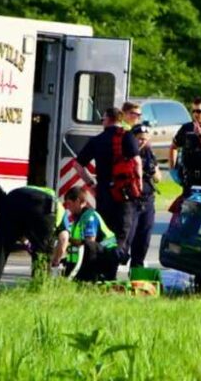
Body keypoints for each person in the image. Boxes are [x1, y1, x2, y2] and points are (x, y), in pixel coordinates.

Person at [72, 107, 141, 260]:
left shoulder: (97, 140)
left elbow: (77, 165)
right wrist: (139, 184)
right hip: (124, 194)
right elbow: (137, 162)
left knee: (105, 230)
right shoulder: (128, 136)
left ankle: (102, 264)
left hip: (104, 193)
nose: (102, 122)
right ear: (120, 119)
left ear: (108, 119)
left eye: (103, 119)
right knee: (122, 231)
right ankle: (113, 265)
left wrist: (91, 183)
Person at [0, 185, 69, 291]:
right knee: (42, 255)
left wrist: (27, 243)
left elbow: (19, 230)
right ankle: (39, 288)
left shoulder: (42, 191)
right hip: (44, 206)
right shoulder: (61, 210)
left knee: (0, 247)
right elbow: (64, 239)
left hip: (12, 199)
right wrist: (56, 260)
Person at [61, 186, 122, 282]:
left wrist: (66, 239)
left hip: (106, 256)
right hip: (95, 255)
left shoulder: (90, 217)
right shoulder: (78, 218)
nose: (67, 207)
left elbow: (89, 243)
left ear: (77, 201)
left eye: (69, 204)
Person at [125, 122, 161, 268]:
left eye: (145, 139)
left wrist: (152, 171)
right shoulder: (126, 152)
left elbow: (159, 177)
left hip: (147, 199)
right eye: (139, 138)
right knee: (128, 236)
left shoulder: (149, 152)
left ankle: (136, 269)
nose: (142, 142)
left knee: (144, 238)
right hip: (131, 200)